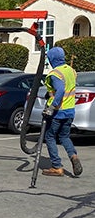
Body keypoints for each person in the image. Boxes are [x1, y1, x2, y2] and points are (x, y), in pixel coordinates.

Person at [41, 46, 82, 177]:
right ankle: (73, 156)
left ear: (52, 58)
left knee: (50, 137)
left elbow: (60, 90)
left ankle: (57, 166)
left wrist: (51, 107)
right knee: (64, 137)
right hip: (70, 111)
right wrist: (50, 94)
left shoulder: (55, 73)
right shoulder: (70, 71)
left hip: (58, 112)